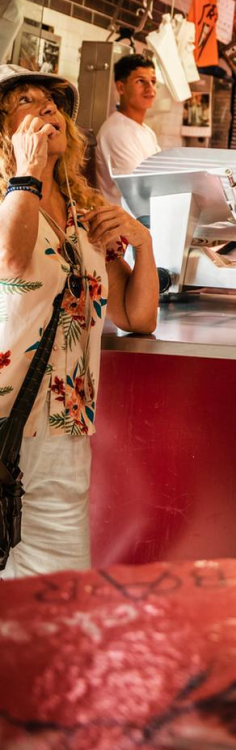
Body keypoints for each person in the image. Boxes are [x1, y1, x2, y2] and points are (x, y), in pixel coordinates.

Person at [0, 66, 159, 578]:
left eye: (51, 99)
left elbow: (137, 316)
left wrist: (144, 245)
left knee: (59, 596)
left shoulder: (84, 210)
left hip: (64, 433)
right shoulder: (7, 197)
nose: (47, 105)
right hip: (6, 421)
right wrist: (26, 172)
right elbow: (11, 260)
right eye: (26, 100)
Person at [94, 53, 160, 206]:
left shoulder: (147, 132)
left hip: (143, 219)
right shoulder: (117, 131)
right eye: (140, 81)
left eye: (153, 81)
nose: (150, 88)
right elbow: (140, 191)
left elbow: (159, 180)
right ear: (121, 87)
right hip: (122, 225)